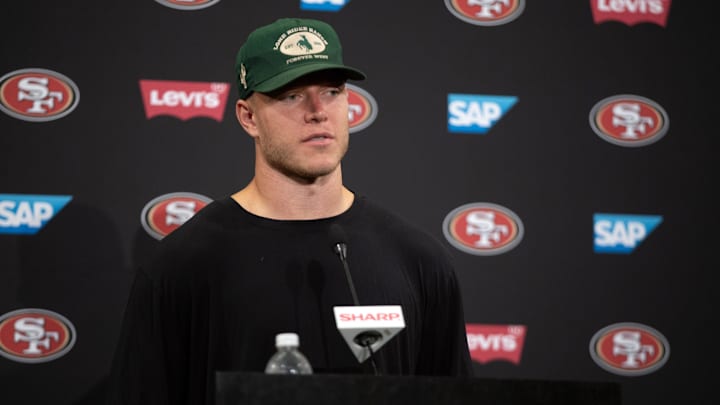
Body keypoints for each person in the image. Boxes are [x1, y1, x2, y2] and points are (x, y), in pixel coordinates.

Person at [106, 17, 473, 405]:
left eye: (332, 91)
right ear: (249, 117)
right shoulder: (182, 265)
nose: (317, 111)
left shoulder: (419, 260)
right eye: (290, 95)